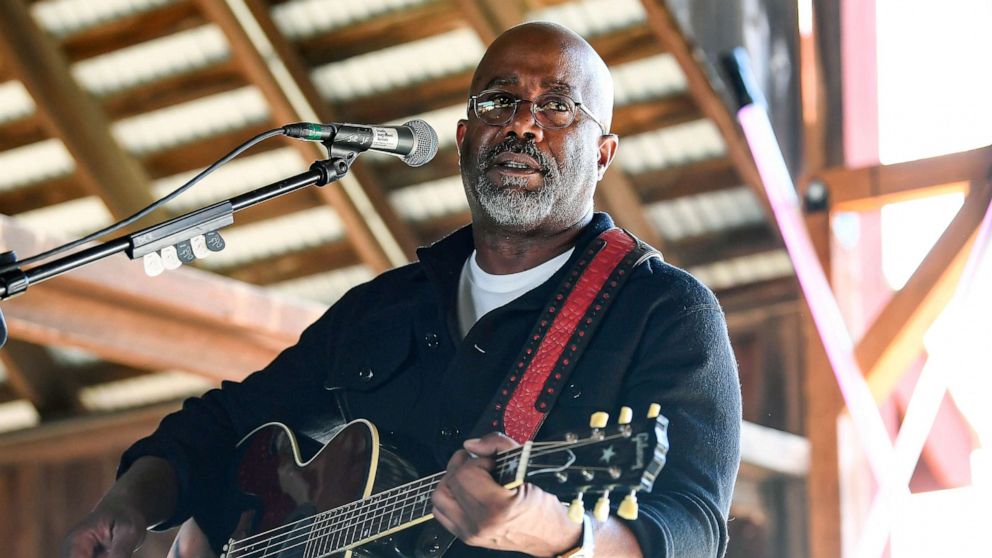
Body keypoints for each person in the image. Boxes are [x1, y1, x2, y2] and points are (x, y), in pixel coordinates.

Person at [63, 22, 741, 558]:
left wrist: (560, 536)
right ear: (465, 137)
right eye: (499, 100)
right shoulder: (386, 305)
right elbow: (223, 424)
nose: (524, 123)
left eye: (559, 107)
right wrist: (130, 499)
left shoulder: (663, 311)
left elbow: (692, 526)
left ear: (603, 152)